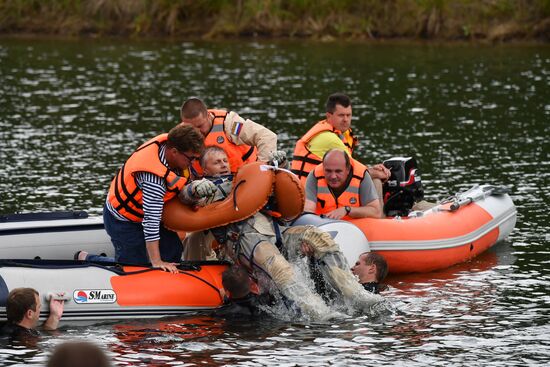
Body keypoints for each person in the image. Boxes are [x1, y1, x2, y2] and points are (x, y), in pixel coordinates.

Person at [182, 147, 382, 319]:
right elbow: (184, 203)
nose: (224, 164)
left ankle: (354, 293)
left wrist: (280, 166)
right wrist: (195, 190)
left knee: (318, 237)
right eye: (217, 162)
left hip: (274, 229)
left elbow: (280, 194)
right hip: (245, 240)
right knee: (280, 268)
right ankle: (317, 311)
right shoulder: (204, 190)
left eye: (225, 160)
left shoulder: (243, 179)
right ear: (205, 168)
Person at [102, 124, 217, 273]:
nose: (194, 162)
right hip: (123, 220)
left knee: (173, 250)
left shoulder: (172, 148)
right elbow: (151, 220)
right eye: (191, 158)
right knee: (135, 266)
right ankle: (91, 260)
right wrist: (156, 261)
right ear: (174, 152)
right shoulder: (154, 179)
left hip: (144, 213)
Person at [291, 93, 390, 199]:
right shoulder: (329, 139)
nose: (346, 119)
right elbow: (358, 173)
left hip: (310, 190)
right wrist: (380, 173)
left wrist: (372, 169)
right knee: (375, 180)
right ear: (329, 116)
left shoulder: (336, 132)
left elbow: (353, 166)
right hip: (308, 195)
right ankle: (377, 214)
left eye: (349, 115)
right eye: (341, 115)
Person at [180, 97, 283, 176]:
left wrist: (261, 171)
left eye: (200, 126)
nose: (196, 132)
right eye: (192, 128)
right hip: (206, 187)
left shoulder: (231, 124)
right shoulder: (181, 134)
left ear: (208, 116)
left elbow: (266, 136)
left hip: (244, 179)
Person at [303, 149, 383, 219]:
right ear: (323, 168)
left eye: (338, 171)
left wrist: (347, 210)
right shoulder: (314, 175)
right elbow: (308, 211)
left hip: (356, 228)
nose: (333, 176)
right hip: (323, 227)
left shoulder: (361, 175)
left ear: (347, 169)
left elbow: (376, 212)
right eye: (328, 171)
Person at [0, 288, 64, 342]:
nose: (40, 310)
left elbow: (44, 331)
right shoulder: (28, 340)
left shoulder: (4, 330)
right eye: (39, 307)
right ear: (30, 313)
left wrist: (55, 316)